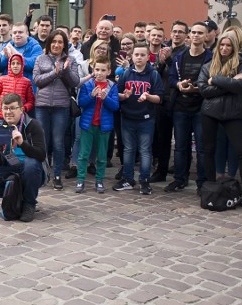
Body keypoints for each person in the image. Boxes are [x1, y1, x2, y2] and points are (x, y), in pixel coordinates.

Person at [197, 32, 242, 211]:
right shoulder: (208, 65)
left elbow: (240, 86)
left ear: (234, 47)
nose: (224, 48)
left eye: (228, 45)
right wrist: (229, 83)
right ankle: (211, 188)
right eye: (222, 45)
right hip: (210, 112)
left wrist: (216, 80)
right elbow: (203, 90)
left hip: (233, 113)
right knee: (208, 150)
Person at [0, 93, 47, 222]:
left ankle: (29, 204)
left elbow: (41, 155)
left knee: (30, 164)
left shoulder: (32, 125)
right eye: (5, 108)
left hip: (33, 169)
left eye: (12, 108)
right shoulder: (2, 127)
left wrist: (22, 143)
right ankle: (14, 194)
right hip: (11, 165)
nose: (8, 112)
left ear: (21, 109)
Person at [165, 22, 211, 193]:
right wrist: (179, 84)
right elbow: (170, 79)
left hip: (201, 107)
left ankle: (202, 183)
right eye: (194, 32)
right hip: (181, 106)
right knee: (180, 147)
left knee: (201, 148)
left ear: (206, 36)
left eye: (200, 33)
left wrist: (197, 89)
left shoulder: (211, 57)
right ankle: (179, 179)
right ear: (189, 35)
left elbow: (213, 81)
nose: (196, 35)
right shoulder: (180, 57)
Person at [113, 42, 164, 195]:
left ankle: (144, 180)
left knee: (145, 150)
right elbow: (117, 95)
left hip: (146, 119)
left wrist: (148, 96)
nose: (139, 57)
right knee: (128, 149)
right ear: (132, 56)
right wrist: (125, 95)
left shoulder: (153, 74)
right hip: (128, 117)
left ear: (148, 57)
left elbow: (160, 98)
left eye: (143, 55)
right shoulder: (126, 73)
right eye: (137, 55)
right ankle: (128, 179)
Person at [32, 30, 80, 190]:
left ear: (64, 45)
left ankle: (57, 174)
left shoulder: (71, 60)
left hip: (61, 106)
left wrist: (65, 71)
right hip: (42, 106)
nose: (56, 45)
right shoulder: (41, 59)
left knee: (58, 142)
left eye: (60, 42)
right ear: (49, 43)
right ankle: (42, 172)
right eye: (54, 41)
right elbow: (37, 80)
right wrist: (55, 72)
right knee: (43, 141)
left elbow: (75, 82)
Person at [75, 56, 119, 194]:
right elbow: (81, 103)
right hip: (88, 125)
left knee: (101, 155)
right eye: (97, 69)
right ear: (93, 70)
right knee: (83, 154)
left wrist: (106, 99)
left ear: (108, 71)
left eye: (103, 70)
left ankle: (99, 180)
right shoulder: (87, 85)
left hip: (104, 126)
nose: (99, 73)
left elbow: (115, 106)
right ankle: (80, 180)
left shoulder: (112, 86)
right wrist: (91, 97)